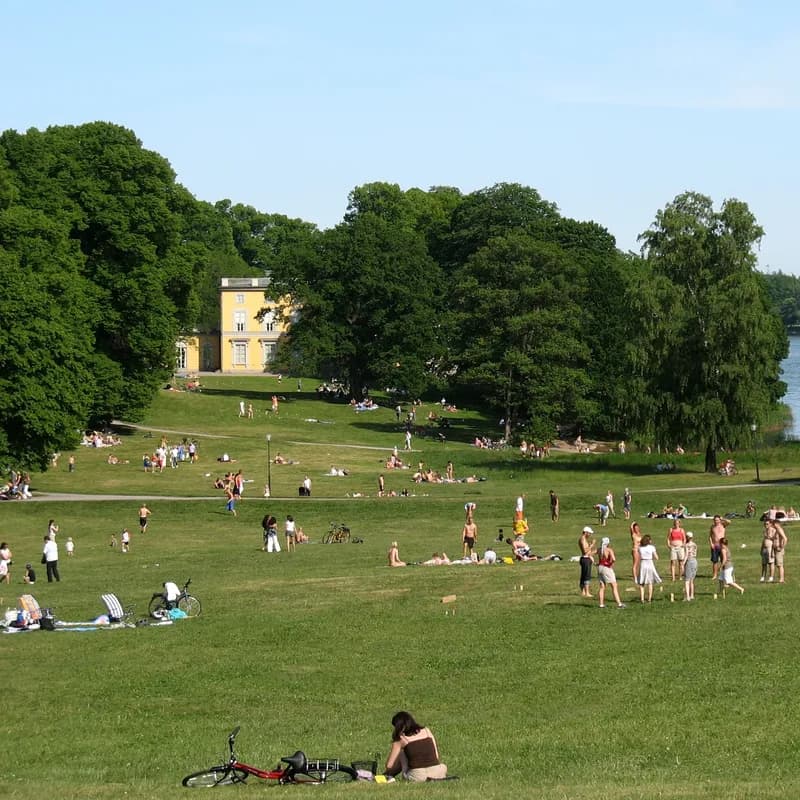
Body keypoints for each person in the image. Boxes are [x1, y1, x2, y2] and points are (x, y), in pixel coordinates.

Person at [384, 711, 447, 782]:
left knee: (402, 753)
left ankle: (396, 775)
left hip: (419, 776)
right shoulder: (427, 731)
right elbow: (436, 755)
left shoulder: (401, 740)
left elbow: (389, 765)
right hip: (438, 773)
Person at [597, 537, 626, 609]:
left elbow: (589, 554)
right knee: (614, 585)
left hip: (600, 567)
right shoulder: (609, 550)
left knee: (602, 586)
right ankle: (619, 604)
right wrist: (610, 563)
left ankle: (601, 604)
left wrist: (595, 563)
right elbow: (614, 559)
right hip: (607, 568)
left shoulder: (599, 549)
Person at [637, 534, 661, 602]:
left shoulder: (640, 548)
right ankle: (649, 599)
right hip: (650, 563)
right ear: (648, 541)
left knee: (642, 582)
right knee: (650, 582)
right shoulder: (652, 547)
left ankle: (642, 599)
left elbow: (639, 554)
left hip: (643, 563)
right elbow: (656, 557)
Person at [709, 515, 728, 580]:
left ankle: (724, 574)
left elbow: (729, 521)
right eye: (715, 520)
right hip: (715, 546)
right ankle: (715, 575)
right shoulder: (712, 527)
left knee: (724, 560)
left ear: (720, 520)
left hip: (722, 546)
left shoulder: (723, 525)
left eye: (717, 520)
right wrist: (711, 543)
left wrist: (723, 519)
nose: (716, 521)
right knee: (715, 561)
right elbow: (710, 536)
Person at [578, 526, 596, 597]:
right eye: (589, 533)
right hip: (585, 559)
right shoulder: (582, 539)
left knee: (583, 576)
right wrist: (592, 545)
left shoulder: (584, 539)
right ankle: (587, 592)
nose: (590, 535)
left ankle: (583, 592)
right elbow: (585, 551)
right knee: (586, 576)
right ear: (585, 532)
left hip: (585, 559)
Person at [682, 531, 698, 601]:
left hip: (689, 561)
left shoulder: (686, 545)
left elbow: (686, 555)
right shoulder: (695, 544)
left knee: (687, 580)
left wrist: (683, 563)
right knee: (692, 580)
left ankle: (687, 597)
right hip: (695, 561)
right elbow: (695, 553)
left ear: (687, 537)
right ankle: (692, 595)